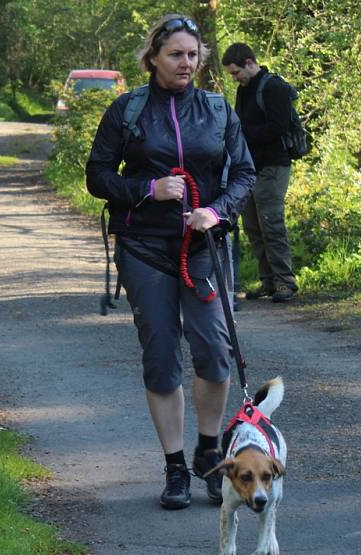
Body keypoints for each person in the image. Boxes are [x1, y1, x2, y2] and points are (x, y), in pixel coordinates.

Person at [85, 14, 256, 510]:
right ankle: (175, 467)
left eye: (193, 54)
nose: (187, 63)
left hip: (204, 250)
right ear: (153, 59)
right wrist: (148, 189)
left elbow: (243, 173)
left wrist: (215, 211)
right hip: (144, 248)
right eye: (177, 54)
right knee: (160, 358)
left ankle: (208, 452)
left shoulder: (219, 110)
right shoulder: (128, 110)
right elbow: (97, 176)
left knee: (214, 353)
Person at [222, 43, 298, 303]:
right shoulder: (244, 91)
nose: (235, 78)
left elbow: (278, 126)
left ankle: (285, 282)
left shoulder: (274, 87)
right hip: (249, 169)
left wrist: (243, 133)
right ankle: (267, 281)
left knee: (271, 224)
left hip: (274, 166)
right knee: (252, 226)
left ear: (249, 63)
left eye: (236, 73)